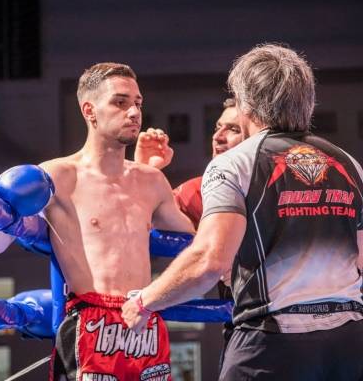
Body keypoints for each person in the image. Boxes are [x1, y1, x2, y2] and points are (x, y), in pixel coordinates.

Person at [122, 44, 363, 381]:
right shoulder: (347, 163)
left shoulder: (236, 163)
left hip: (272, 339)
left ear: (246, 104)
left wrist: (145, 301)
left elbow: (209, 260)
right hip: (349, 340)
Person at [0, 62, 195, 381]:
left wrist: (150, 166)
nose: (134, 112)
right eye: (120, 102)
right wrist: (8, 196)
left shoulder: (151, 180)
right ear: (89, 110)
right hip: (92, 325)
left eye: (137, 103)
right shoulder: (57, 175)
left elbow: (194, 242)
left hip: (144, 320)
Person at [135, 98, 241, 370]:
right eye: (217, 127)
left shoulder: (286, 185)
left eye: (233, 129)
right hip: (247, 330)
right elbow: (134, 225)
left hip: (309, 319)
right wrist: (145, 173)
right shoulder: (204, 190)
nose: (218, 136)